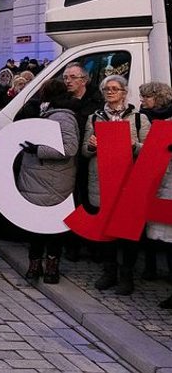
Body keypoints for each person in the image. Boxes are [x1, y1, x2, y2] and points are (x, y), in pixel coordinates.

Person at [83, 75, 150, 295]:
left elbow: (149, 151)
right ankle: (109, 271)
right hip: (103, 181)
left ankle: (127, 275)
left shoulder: (139, 119)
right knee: (106, 230)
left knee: (129, 231)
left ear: (124, 92)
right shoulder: (94, 118)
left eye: (114, 89)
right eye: (106, 89)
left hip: (129, 181)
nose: (110, 92)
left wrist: (133, 145)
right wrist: (92, 146)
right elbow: (84, 151)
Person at [16, 79, 80, 284]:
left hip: (53, 179)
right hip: (40, 178)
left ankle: (48, 266)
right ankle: (37, 265)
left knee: (51, 227)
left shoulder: (62, 116)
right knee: (38, 225)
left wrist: (38, 150)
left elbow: (70, 148)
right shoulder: (48, 112)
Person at [138, 82, 172, 286]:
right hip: (152, 179)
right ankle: (150, 268)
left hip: (167, 181)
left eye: (147, 97)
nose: (142, 101)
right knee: (151, 229)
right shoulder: (143, 118)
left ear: (158, 98)